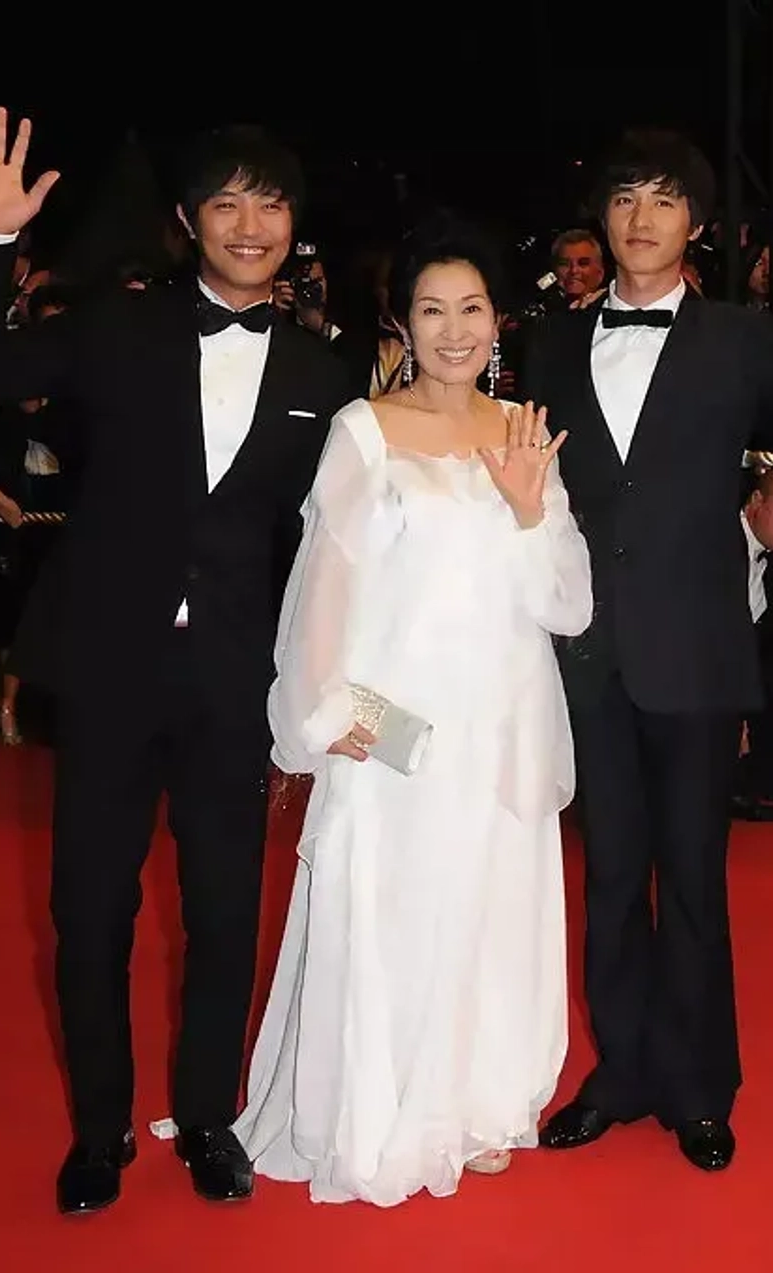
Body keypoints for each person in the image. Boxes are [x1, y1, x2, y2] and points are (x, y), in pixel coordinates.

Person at [0, 110, 358, 1215]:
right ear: (188, 223)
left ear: (294, 226)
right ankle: (100, 1128)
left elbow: (350, 539)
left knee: (226, 913)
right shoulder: (120, 328)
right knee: (91, 908)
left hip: (233, 681)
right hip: (112, 667)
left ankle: (210, 1118)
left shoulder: (327, 367)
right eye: (225, 202)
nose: (250, 222)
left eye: (269, 203)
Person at [526, 129, 773, 1171]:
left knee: (692, 878)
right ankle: (620, 1071)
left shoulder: (737, 336)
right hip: (587, 654)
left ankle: (698, 1084)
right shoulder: (551, 341)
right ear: (603, 222)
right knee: (608, 882)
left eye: (663, 201)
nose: (641, 219)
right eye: (624, 200)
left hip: (692, 651)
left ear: (696, 225)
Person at [232, 218, 592, 1205]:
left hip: (503, 721)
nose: (453, 330)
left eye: (470, 308)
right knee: (396, 903)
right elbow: (323, 591)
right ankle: (386, 1108)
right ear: (402, 322)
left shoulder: (521, 432)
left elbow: (567, 603)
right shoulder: (365, 429)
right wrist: (326, 713)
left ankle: (475, 1100)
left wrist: (528, 509)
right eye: (432, 310)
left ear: (498, 321)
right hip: (397, 721)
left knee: (489, 909)